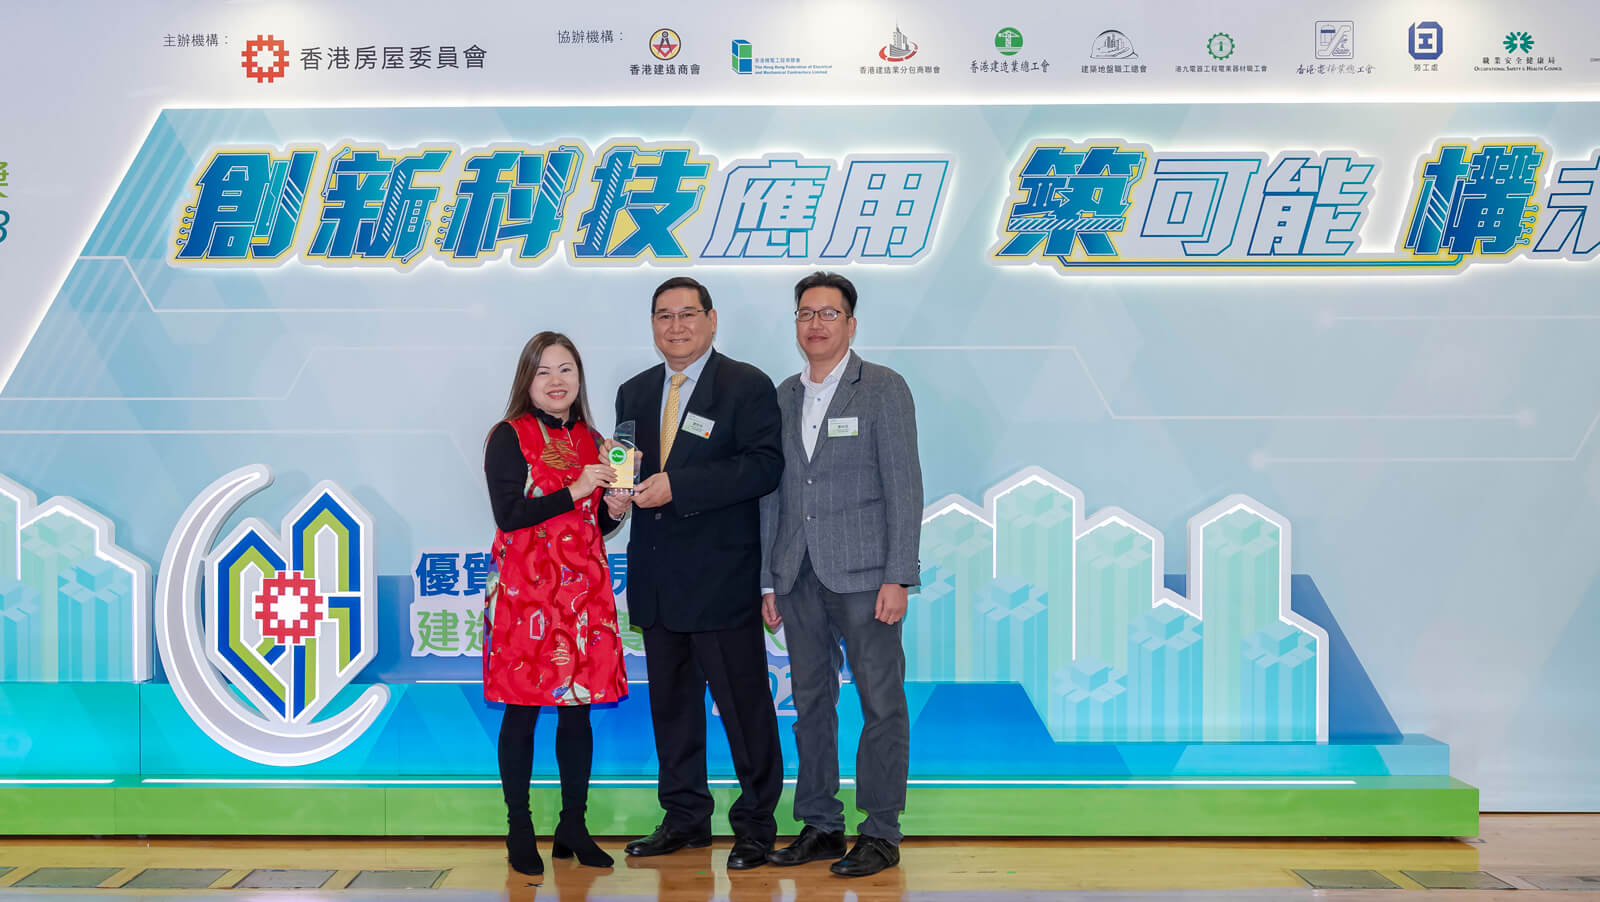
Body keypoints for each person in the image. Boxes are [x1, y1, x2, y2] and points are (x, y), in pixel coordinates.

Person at [613, 276, 786, 870]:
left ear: (712, 320)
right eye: (664, 315)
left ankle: (757, 826)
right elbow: (624, 469)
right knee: (672, 708)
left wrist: (678, 486)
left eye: (688, 314)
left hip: (721, 581)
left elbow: (764, 467)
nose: (676, 326)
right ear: (653, 325)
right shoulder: (633, 392)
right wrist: (615, 500)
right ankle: (685, 819)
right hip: (657, 583)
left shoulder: (746, 385)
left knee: (745, 710)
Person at [759, 272, 923, 878]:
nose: (816, 324)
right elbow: (773, 494)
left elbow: (904, 486)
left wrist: (898, 575)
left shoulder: (881, 388)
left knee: (882, 703)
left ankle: (880, 830)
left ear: (851, 325)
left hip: (864, 576)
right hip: (796, 574)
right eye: (806, 313)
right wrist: (767, 580)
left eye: (829, 314)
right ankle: (821, 824)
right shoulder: (781, 395)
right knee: (810, 703)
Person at [483, 331, 629, 876]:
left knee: (578, 711)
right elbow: (509, 515)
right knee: (521, 714)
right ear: (527, 379)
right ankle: (519, 828)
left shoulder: (596, 439)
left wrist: (615, 507)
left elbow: (597, 524)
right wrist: (575, 489)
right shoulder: (508, 436)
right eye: (544, 371)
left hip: (584, 593)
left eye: (566, 369)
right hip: (527, 594)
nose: (557, 380)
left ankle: (573, 824)